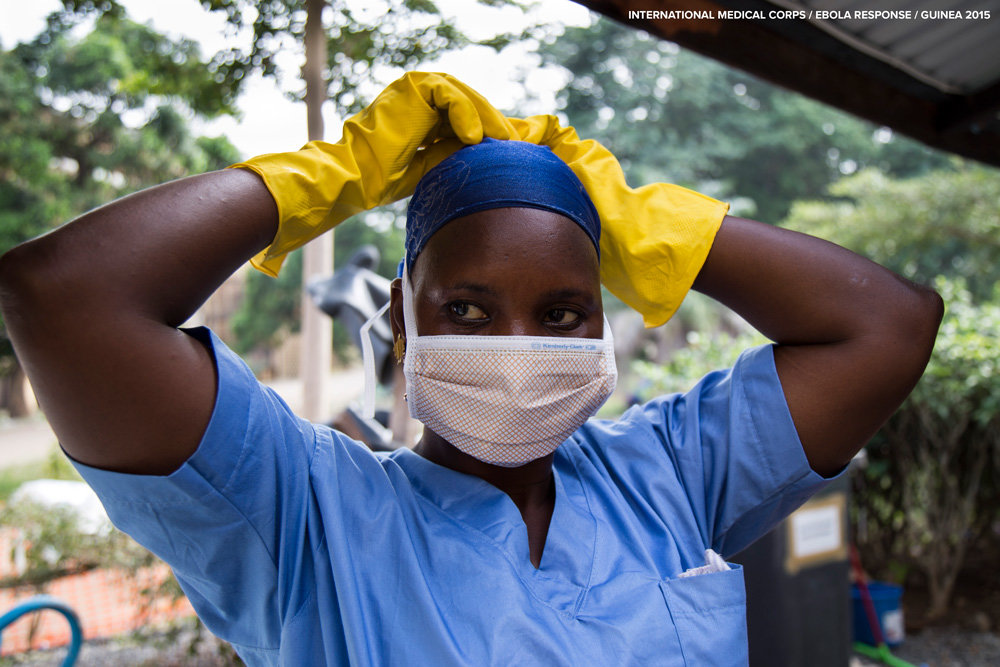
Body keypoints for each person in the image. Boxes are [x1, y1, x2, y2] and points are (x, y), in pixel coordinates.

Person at [0, 72, 942, 665]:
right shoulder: (304, 520)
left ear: (599, 327)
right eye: (468, 309)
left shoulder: (669, 475)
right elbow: (64, 294)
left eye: (562, 311)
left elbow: (889, 325)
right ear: (402, 323)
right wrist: (336, 175)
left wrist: (646, 226)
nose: (521, 343)